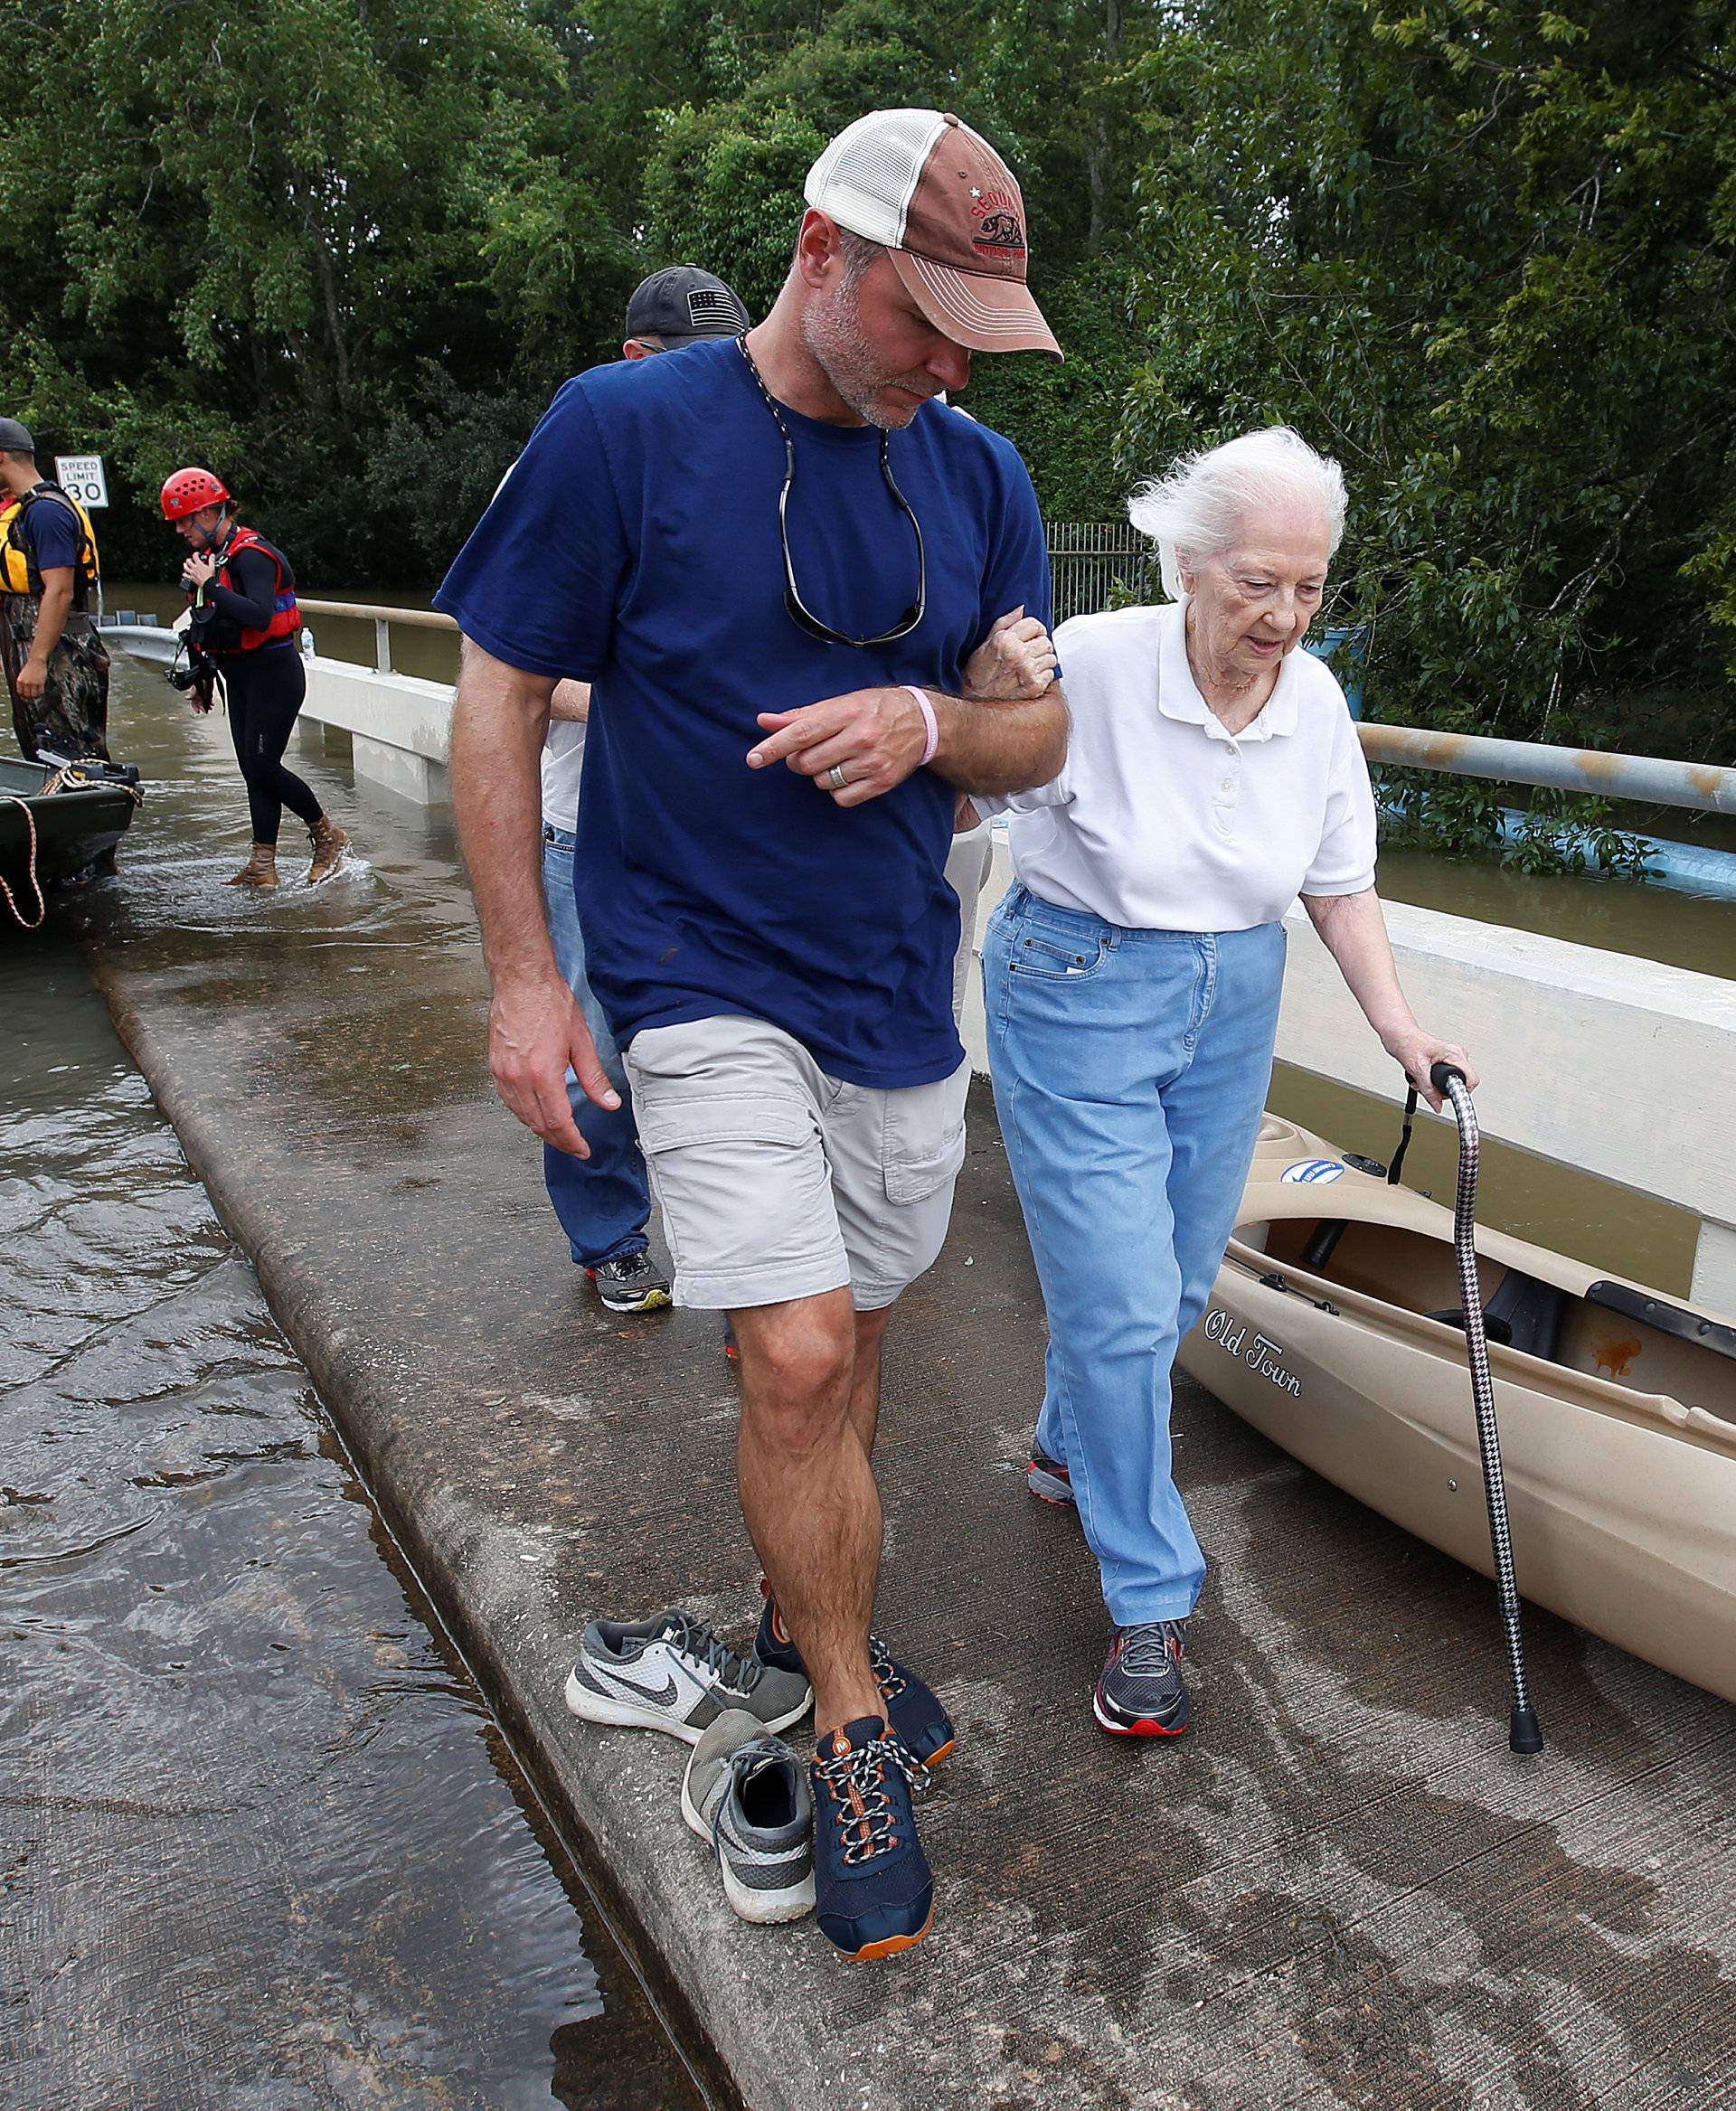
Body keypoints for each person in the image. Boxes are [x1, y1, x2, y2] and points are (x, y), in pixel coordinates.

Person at [437, 108, 1067, 1962]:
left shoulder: (976, 474)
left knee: (852, 1344)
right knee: (792, 1353)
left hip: (892, 984)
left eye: (977, 336)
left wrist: (940, 726)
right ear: (820, 250)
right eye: (924, 321)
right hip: (693, 972)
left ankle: (802, 1613)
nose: (949, 367)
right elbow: (492, 703)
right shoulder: (622, 430)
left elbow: (1036, 735)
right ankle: (851, 1713)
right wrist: (524, 980)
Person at [978, 427, 1476, 1740]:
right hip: (1078, 979)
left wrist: (1402, 1032)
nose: (1285, 614)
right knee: (1129, 1306)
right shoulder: (1089, 661)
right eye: (1259, 581)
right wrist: (980, 693)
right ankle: (1150, 1598)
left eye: (1310, 587)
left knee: (1175, 1284)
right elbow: (971, 795)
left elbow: (1338, 880)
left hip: (1232, 994)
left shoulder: (1313, 703)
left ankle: (1059, 1441)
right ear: (1188, 563)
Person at [539, 265, 752, 1315]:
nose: (718, 385)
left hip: (721, 834)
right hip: (594, 829)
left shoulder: (755, 469)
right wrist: (658, 704)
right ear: (634, 361)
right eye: (691, 365)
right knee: (597, 1047)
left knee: (744, 1048)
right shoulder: (577, 460)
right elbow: (515, 679)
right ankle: (608, 1232)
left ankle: (757, 1270)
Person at [161, 468, 352, 887]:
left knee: (264, 767)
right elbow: (202, 623)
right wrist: (202, 678)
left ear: (211, 513)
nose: (178, 530)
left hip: (274, 674)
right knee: (253, 769)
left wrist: (211, 585)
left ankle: (327, 837)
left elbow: (260, 615)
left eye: (184, 520)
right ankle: (263, 866)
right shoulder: (211, 560)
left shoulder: (251, 555)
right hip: (240, 676)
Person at [0, 418, 111, 766]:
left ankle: (98, 820)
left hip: (62, 657)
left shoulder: (46, 512)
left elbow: (60, 591)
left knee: (74, 760)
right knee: (43, 756)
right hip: (36, 651)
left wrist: (37, 661)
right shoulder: (26, 510)